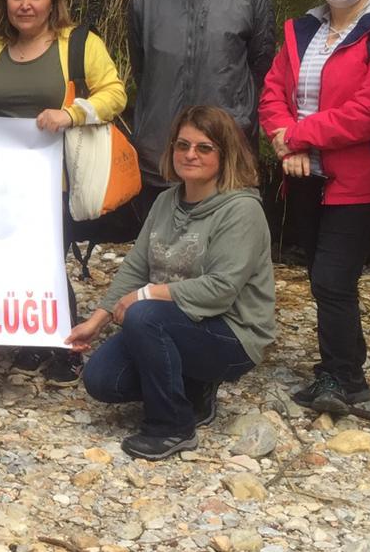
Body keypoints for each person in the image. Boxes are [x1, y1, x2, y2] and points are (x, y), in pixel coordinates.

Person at [66, 105, 275, 460]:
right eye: (183, 145)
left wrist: (147, 295)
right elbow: (135, 266)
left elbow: (222, 289)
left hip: (231, 333)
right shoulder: (165, 201)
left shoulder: (241, 210)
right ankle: (193, 389)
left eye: (204, 147)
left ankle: (172, 426)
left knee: (144, 315)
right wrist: (97, 321)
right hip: (174, 324)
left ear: (225, 155)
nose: (190, 154)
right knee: (102, 380)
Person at [259, 0, 370, 414]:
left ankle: (346, 376)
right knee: (321, 274)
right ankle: (334, 367)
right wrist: (285, 144)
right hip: (304, 174)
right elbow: (274, 94)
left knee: (333, 278)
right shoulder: (302, 30)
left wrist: (297, 136)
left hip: (361, 178)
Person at [0, 0, 127, 385]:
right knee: (14, 264)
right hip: (2, 182)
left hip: (57, 181)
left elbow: (115, 94)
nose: (26, 5)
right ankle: (35, 336)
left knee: (49, 264)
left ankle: (68, 346)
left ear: (52, 1)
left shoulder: (79, 44)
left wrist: (71, 114)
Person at [128, 0, 275, 195]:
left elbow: (260, 70)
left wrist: (239, 124)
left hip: (226, 155)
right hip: (161, 157)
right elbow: (142, 69)